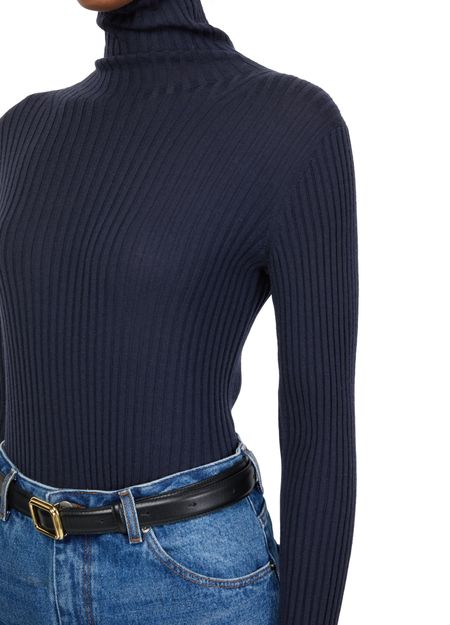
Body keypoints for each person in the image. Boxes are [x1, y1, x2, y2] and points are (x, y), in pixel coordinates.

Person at [0, 1, 359, 624]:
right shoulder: (22, 131)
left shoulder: (290, 124)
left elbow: (319, 425)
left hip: (189, 584)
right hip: (17, 568)